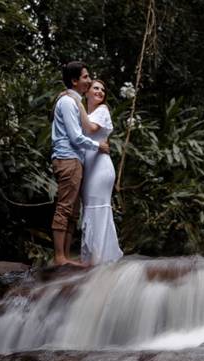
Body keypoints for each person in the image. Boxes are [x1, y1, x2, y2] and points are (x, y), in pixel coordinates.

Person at [50, 61, 109, 266]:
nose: (89, 80)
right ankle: (59, 257)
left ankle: (65, 256)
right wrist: (97, 146)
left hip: (74, 160)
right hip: (67, 158)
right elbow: (75, 137)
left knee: (73, 212)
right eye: (85, 77)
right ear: (74, 81)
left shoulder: (74, 101)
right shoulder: (67, 102)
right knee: (65, 208)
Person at [78, 80, 123, 265]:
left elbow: (91, 129)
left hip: (101, 168)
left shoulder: (102, 110)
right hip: (89, 168)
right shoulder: (86, 114)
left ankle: (99, 259)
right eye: (96, 88)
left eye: (103, 89)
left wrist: (75, 102)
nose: (100, 91)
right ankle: (93, 257)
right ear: (87, 91)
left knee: (97, 209)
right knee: (90, 209)